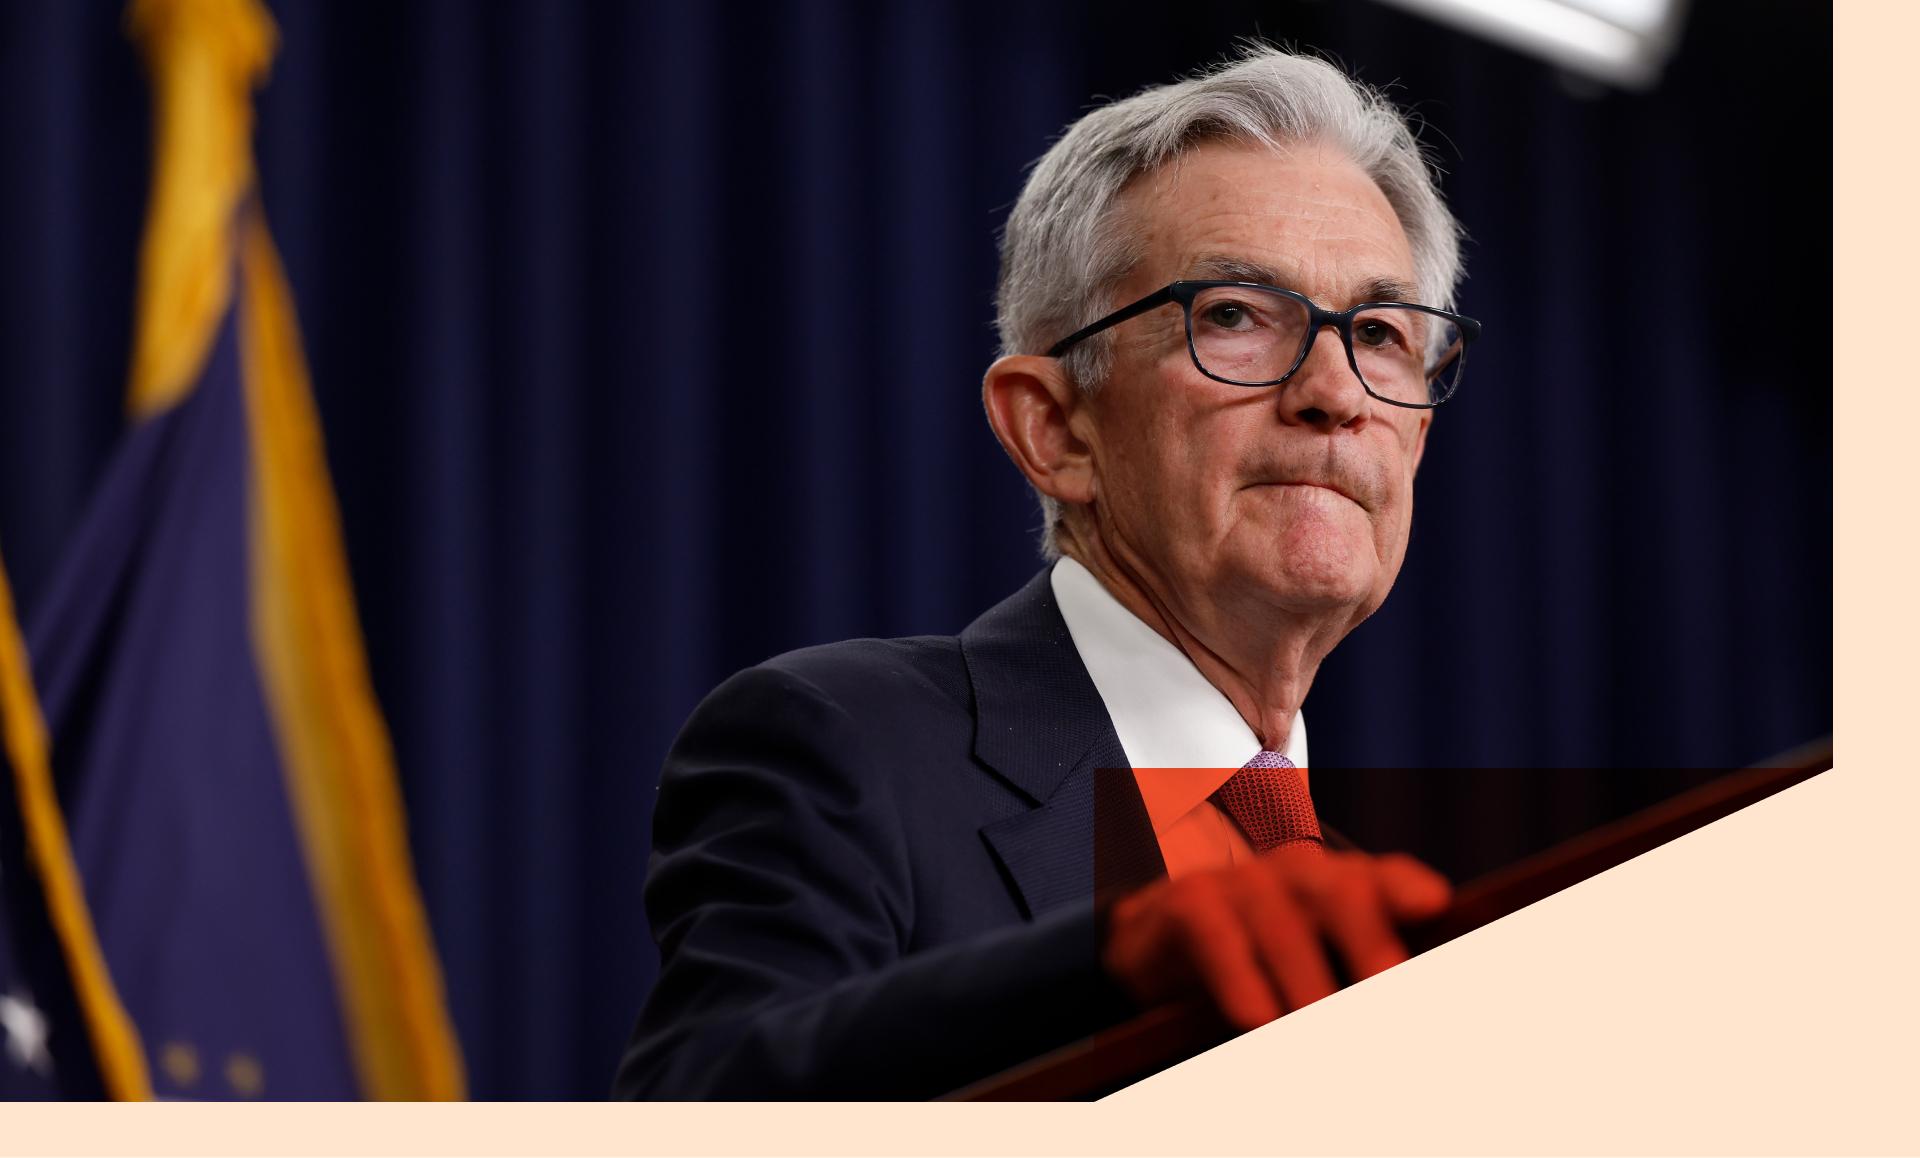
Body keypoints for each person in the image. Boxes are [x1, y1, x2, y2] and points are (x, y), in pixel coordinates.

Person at [613, 44, 1480, 1100]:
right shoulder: (846, 745)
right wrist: (1116, 956)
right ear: (1056, 428)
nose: (1336, 392)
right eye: (1237, 318)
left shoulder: (1377, 915)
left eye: (1382, 333)